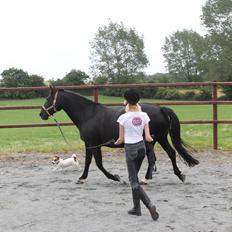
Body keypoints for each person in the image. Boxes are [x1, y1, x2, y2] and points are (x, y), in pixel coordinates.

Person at [115, 89, 159, 221]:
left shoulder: (122, 117)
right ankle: (136, 208)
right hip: (141, 148)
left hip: (130, 148)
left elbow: (120, 139)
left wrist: (116, 142)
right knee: (134, 178)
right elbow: (147, 137)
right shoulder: (144, 115)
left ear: (126, 101)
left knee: (133, 181)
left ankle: (149, 205)